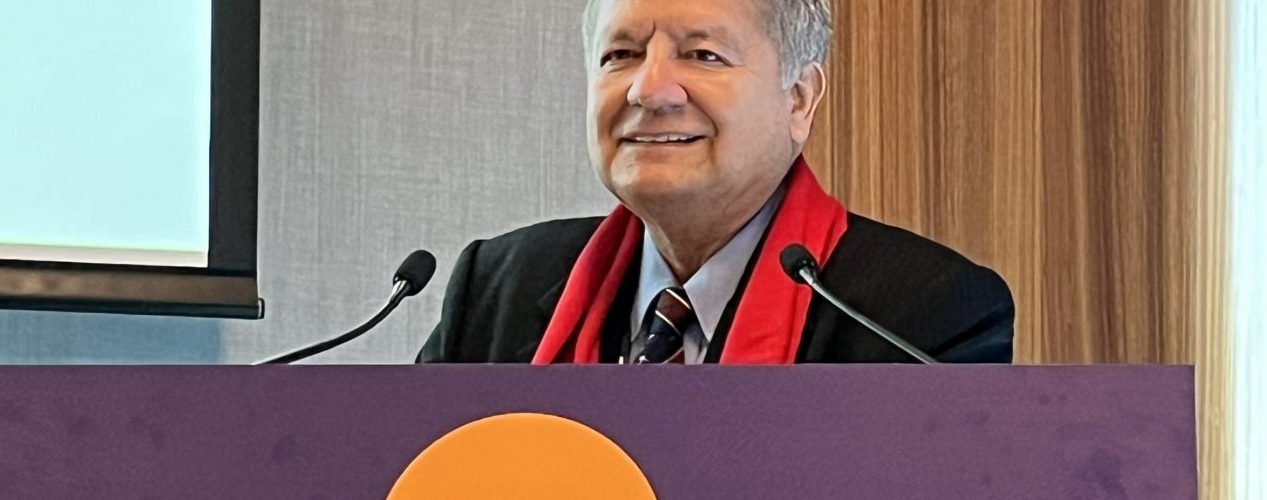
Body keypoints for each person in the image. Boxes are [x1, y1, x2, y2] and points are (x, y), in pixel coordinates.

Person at [417, 0, 1012, 364]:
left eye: (703, 55)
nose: (648, 90)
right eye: (620, 54)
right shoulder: (496, 289)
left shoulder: (924, 315)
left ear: (799, 99)